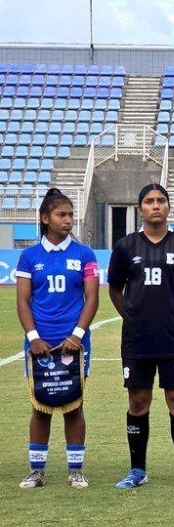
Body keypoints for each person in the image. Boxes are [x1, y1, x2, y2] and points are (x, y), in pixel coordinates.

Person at [108, 183, 174, 489]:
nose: (156, 205)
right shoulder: (125, 246)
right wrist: (131, 316)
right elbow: (115, 287)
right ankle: (137, 470)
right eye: (149, 201)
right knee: (138, 402)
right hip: (137, 340)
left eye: (161, 200)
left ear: (168, 206)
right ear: (141, 208)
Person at [14, 188, 99, 489]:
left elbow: (92, 299)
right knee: (41, 407)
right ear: (45, 218)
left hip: (74, 346)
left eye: (71, 215)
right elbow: (22, 301)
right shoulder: (29, 257)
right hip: (39, 346)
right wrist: (33, 338)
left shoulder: (85, 254)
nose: (68, 220)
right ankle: (37, 472)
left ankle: (75, 470)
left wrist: (77, 335)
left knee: (73, 405)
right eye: (61, 215)